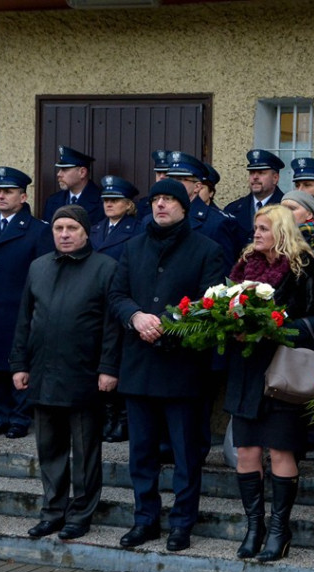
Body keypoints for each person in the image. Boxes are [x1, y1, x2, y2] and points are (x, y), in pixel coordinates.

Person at [109, 178, 226, 552]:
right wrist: (135, 317)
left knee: (185, 455)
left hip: (183, 369)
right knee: (141, 454)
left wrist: (164, 324)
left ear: (184, 207)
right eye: (156, 199)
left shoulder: (207, 249)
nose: (160, 206)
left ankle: (181, 524)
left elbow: (210, 303)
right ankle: (145, 520)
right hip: (139, 366)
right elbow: (117, 294)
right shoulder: (132, 246)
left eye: (168, 200)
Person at [10, 204, 121, 540]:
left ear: (86, 232)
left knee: (85, 451)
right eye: (59, 229)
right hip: (43, 372)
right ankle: (53, 511)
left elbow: (111, 327)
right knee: (49, 447)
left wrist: (108, 368)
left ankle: (81, 514)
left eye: (72, 228)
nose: (64, 235)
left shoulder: (106, 268)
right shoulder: (39, 267)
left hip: (84, 374)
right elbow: (24, 320)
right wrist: (18, 364)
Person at [227, 204, 314, 562]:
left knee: (280, 451)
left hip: (283, 371)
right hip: (246, 370)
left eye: (264, 229)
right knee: (246, 451)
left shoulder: (305, 267)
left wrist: (279, 326)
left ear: (282, 231)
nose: (256, 234)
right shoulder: (243, 266)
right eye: (255, 228)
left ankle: (278, 530)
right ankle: (254, 527)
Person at [0, 166, 54, 440]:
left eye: (9, 192)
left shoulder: (37, 230)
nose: (2, 196)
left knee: (19, 364)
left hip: (19, 308)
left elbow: (44, 274)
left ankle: (20, 417)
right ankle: (3, 415)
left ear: (24, 196)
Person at [91, 175, 142, 443]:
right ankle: (107, 416)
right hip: (97, 301)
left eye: (114, 200)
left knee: (118, 360)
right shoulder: (96, 228)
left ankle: (122, 419)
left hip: (122, 301)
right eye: (105, 200)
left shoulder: (136, 229)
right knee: (100, 359)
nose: (108, 204)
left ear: (128, 204)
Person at [164, 151, 243, 269]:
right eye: (171, 179)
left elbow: (223, 272)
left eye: (181, 179)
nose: (173, 184)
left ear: (197, 187)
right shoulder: (156, 217)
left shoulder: (217, 223)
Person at [223, 149, 285, 243]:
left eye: (261, 173)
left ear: (275, 178)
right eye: (252, 172)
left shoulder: (286, 208)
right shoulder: (233, 209)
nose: (255, 177)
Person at [41, 145, 103, 225]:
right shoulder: (52, 201)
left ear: (82, 172)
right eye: (60, 169)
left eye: (64, 169)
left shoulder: (102, 201)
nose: (59, 174)